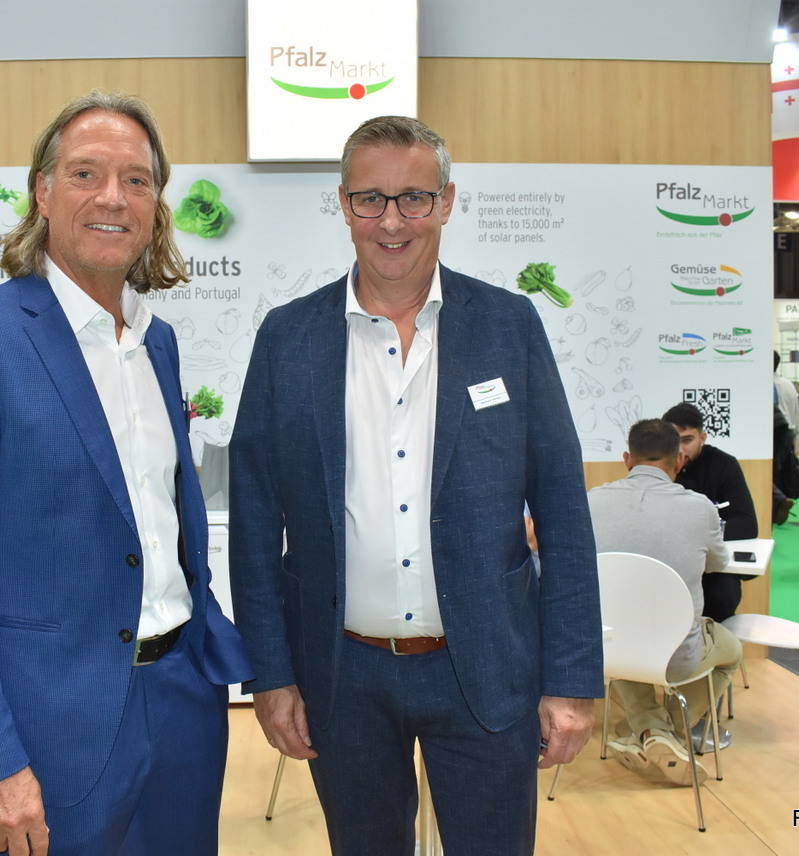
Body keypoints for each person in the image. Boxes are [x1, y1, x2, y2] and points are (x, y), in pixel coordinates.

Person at [229, 115, 603, 856]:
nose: (392, 221)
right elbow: (254, 520)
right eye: (370, 199)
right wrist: (269, 675)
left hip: (487, 667)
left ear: (447, 201)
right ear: (344, 204)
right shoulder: (287, 338)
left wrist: (570, 678)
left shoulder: (510, 326)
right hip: (342, 676)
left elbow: (563, 512)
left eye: (414, 198)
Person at [0, 92, 251, 856]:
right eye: (87, 173)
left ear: (156, 205)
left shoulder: (157, 344)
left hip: (185, 705)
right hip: (49, 728)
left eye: (136, 180)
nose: (112, 197)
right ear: (43, 191)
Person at [588, 420, 740, 785]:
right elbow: (718, 564)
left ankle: (650, 731)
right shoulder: (700, 508)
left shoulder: (591, 501)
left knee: (622, 640)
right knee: (731, 651)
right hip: (678, 656)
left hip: (610, 649)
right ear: (679, 461)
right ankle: (668, 733)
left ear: (627, 459)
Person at [661, 402, 757, 621]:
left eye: (687, 440)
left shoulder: (725, 465)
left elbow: (747, 524)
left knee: (722, 596)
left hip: (713, 569)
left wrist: (695, 535)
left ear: (703, 438)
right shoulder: (658, 467)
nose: (680, 449)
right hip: (669, 565)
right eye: (674, 441)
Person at [772, 350, 799, 524]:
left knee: (773, 470)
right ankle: (780, 503)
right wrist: (794, 437)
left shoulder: (760, 384)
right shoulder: (789, 385)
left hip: (772, 433)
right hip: (787, 432)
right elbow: (795, 412)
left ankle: (778, 504)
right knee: (780, 469)